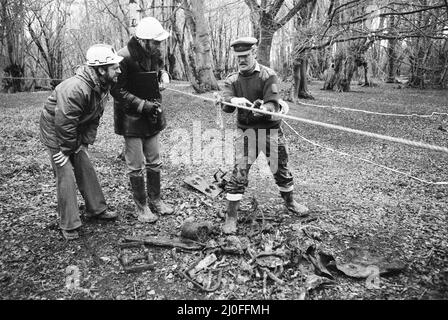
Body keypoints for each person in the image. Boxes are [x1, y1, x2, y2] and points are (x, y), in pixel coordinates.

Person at [219, 37, 309, 234]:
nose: (242, 60)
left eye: (245, 56)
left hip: (270, 131)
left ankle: (290, 203)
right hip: (246, 133)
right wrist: (233, 100)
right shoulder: (232, 79)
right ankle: (231, 217)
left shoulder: (268, 75)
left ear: (254, 54)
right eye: (238, 57)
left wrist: (263, 108)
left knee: (281, 168)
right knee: (239, 172)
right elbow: (226, 103)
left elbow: (273, 102)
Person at [39, 44, 122, 240]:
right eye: (114, 67)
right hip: (55, 130)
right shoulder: (76, 88)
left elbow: (94, 118)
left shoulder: (102, 85)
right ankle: (69, 223)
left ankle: (97, 209)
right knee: (65, 171)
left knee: (83, 162)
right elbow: (64, 121)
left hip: (72, 128)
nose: (119, 70)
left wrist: (84, 143)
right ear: (101, 69)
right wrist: (67, 149)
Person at [111, 17, 173, 224]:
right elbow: (117, 90)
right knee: (136, 166)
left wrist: (163, 76)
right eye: (155, 42)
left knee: (155, 161)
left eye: (159, 42)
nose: (159, 45)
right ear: (143, 40)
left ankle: (156, 199)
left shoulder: (154, 52)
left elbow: (160, 70)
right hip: (131, 119)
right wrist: (140, 105)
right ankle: (142, 206)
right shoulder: (122, 57)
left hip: (152, 114)